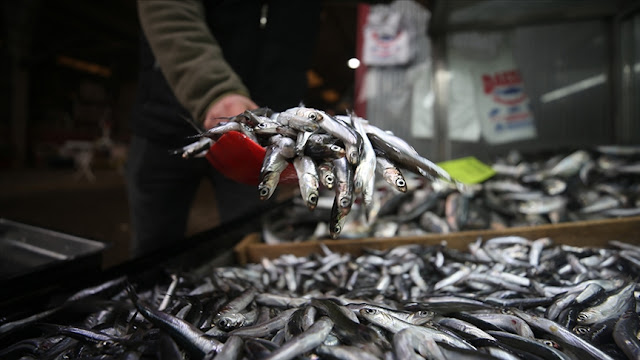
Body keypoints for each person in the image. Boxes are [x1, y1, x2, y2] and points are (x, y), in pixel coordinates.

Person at [127, 0, 321, 258]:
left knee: (247, 245)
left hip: (263, 144)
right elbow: (168, 10)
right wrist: (214, 90)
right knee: (153, 251)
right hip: (168, 121)